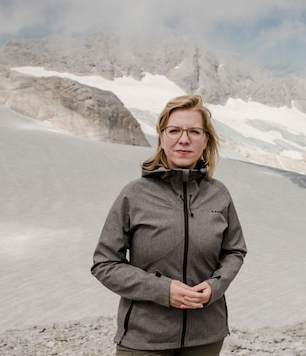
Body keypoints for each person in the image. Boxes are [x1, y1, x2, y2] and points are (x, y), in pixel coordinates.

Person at [91, 94, 247, 356]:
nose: (183, 139)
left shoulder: (219, 194)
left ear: (205, 140)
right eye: (174, 130)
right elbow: (104, 264)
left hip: (206, 337)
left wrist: (215, 286)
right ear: (162, 137)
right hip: (145, 340)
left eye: (194, 131)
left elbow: (234, 251)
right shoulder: (135, 194)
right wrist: (163, 290)